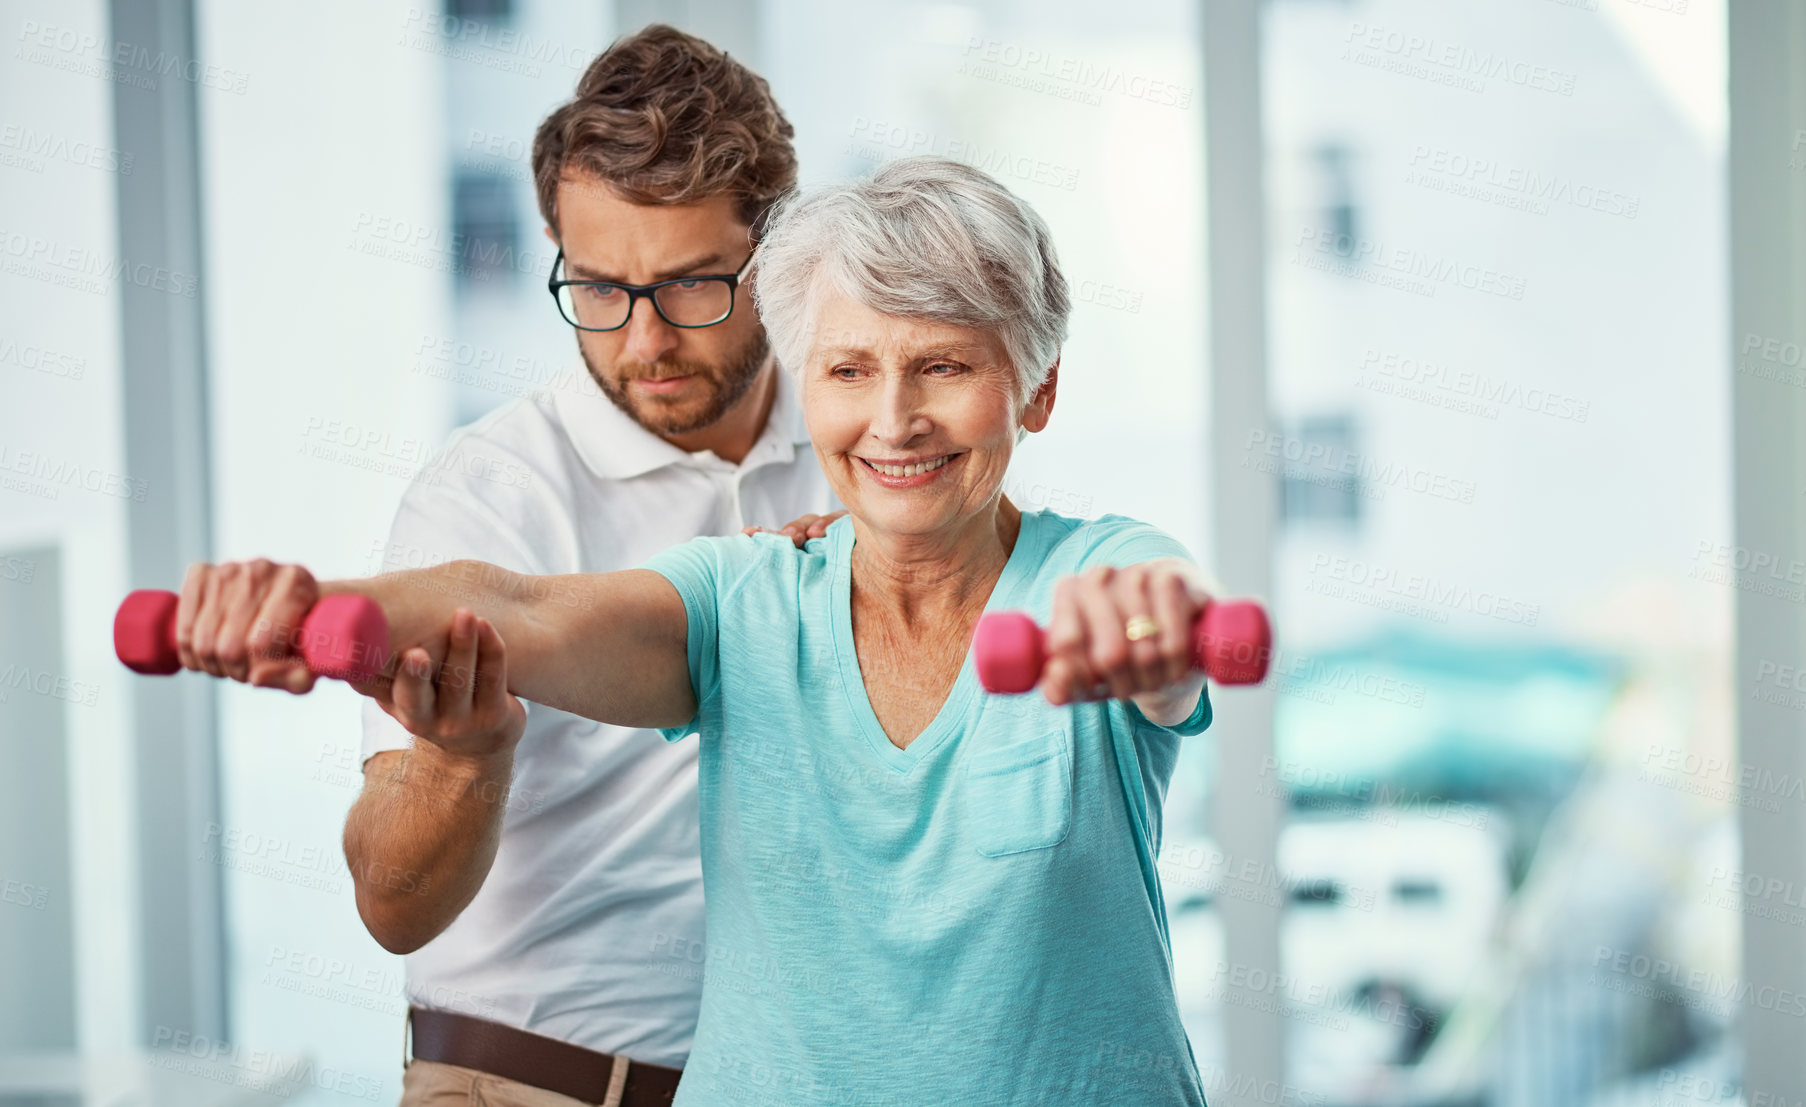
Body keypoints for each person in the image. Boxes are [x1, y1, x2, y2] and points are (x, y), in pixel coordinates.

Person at [179, 158, 1214, 1105]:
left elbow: (1163, 620)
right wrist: (301, 604)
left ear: (1036, 391)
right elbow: (518, 607)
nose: (893, 419)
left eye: (942, 368)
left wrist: (1153, 643)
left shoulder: (1098, 573)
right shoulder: (746, 600)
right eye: (849, 371)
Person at [346, 25, 837, 1107]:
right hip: (532, 1083)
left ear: (782, 257)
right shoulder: (486, 499)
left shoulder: (864, 451)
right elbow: (391, 906)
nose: (643, 342)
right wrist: (466, 763)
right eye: (601, 289)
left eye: (693, 287)